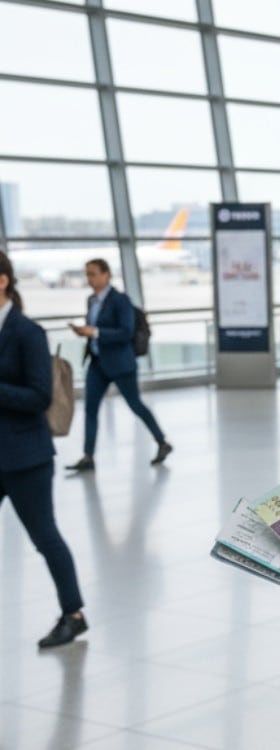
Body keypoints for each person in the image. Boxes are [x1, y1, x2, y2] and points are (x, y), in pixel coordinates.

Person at [0, 251, 88, 648]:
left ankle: (73, 614)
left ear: (3, 281)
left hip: (24, 457)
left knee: (44, 536)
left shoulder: (26, 333)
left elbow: (38, 396)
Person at [66, 259, 171, 472]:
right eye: (87, 274)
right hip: (98, 363)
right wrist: (84, 332)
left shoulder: (120, 300)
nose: (90, 279)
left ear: (106, 275)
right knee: (90, 409)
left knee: (135, 405)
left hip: (120, 363)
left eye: (94, 274)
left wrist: (95, 332)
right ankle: (88, 456)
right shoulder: (91, 301)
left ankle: (162, 442)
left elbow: (126, 332)